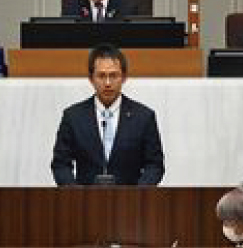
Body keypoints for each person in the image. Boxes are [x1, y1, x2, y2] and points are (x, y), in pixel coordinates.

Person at [51, 44, 164, 185]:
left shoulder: (144, 117)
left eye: (113, 75)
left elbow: (155, 165)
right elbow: (60, 164)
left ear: (124, 77)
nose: (108, 83)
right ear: (91, 78)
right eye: (101, 76)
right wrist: (74, 193)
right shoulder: (73, 117)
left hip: (131, 197)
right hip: (85, 197)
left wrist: (138, 193)